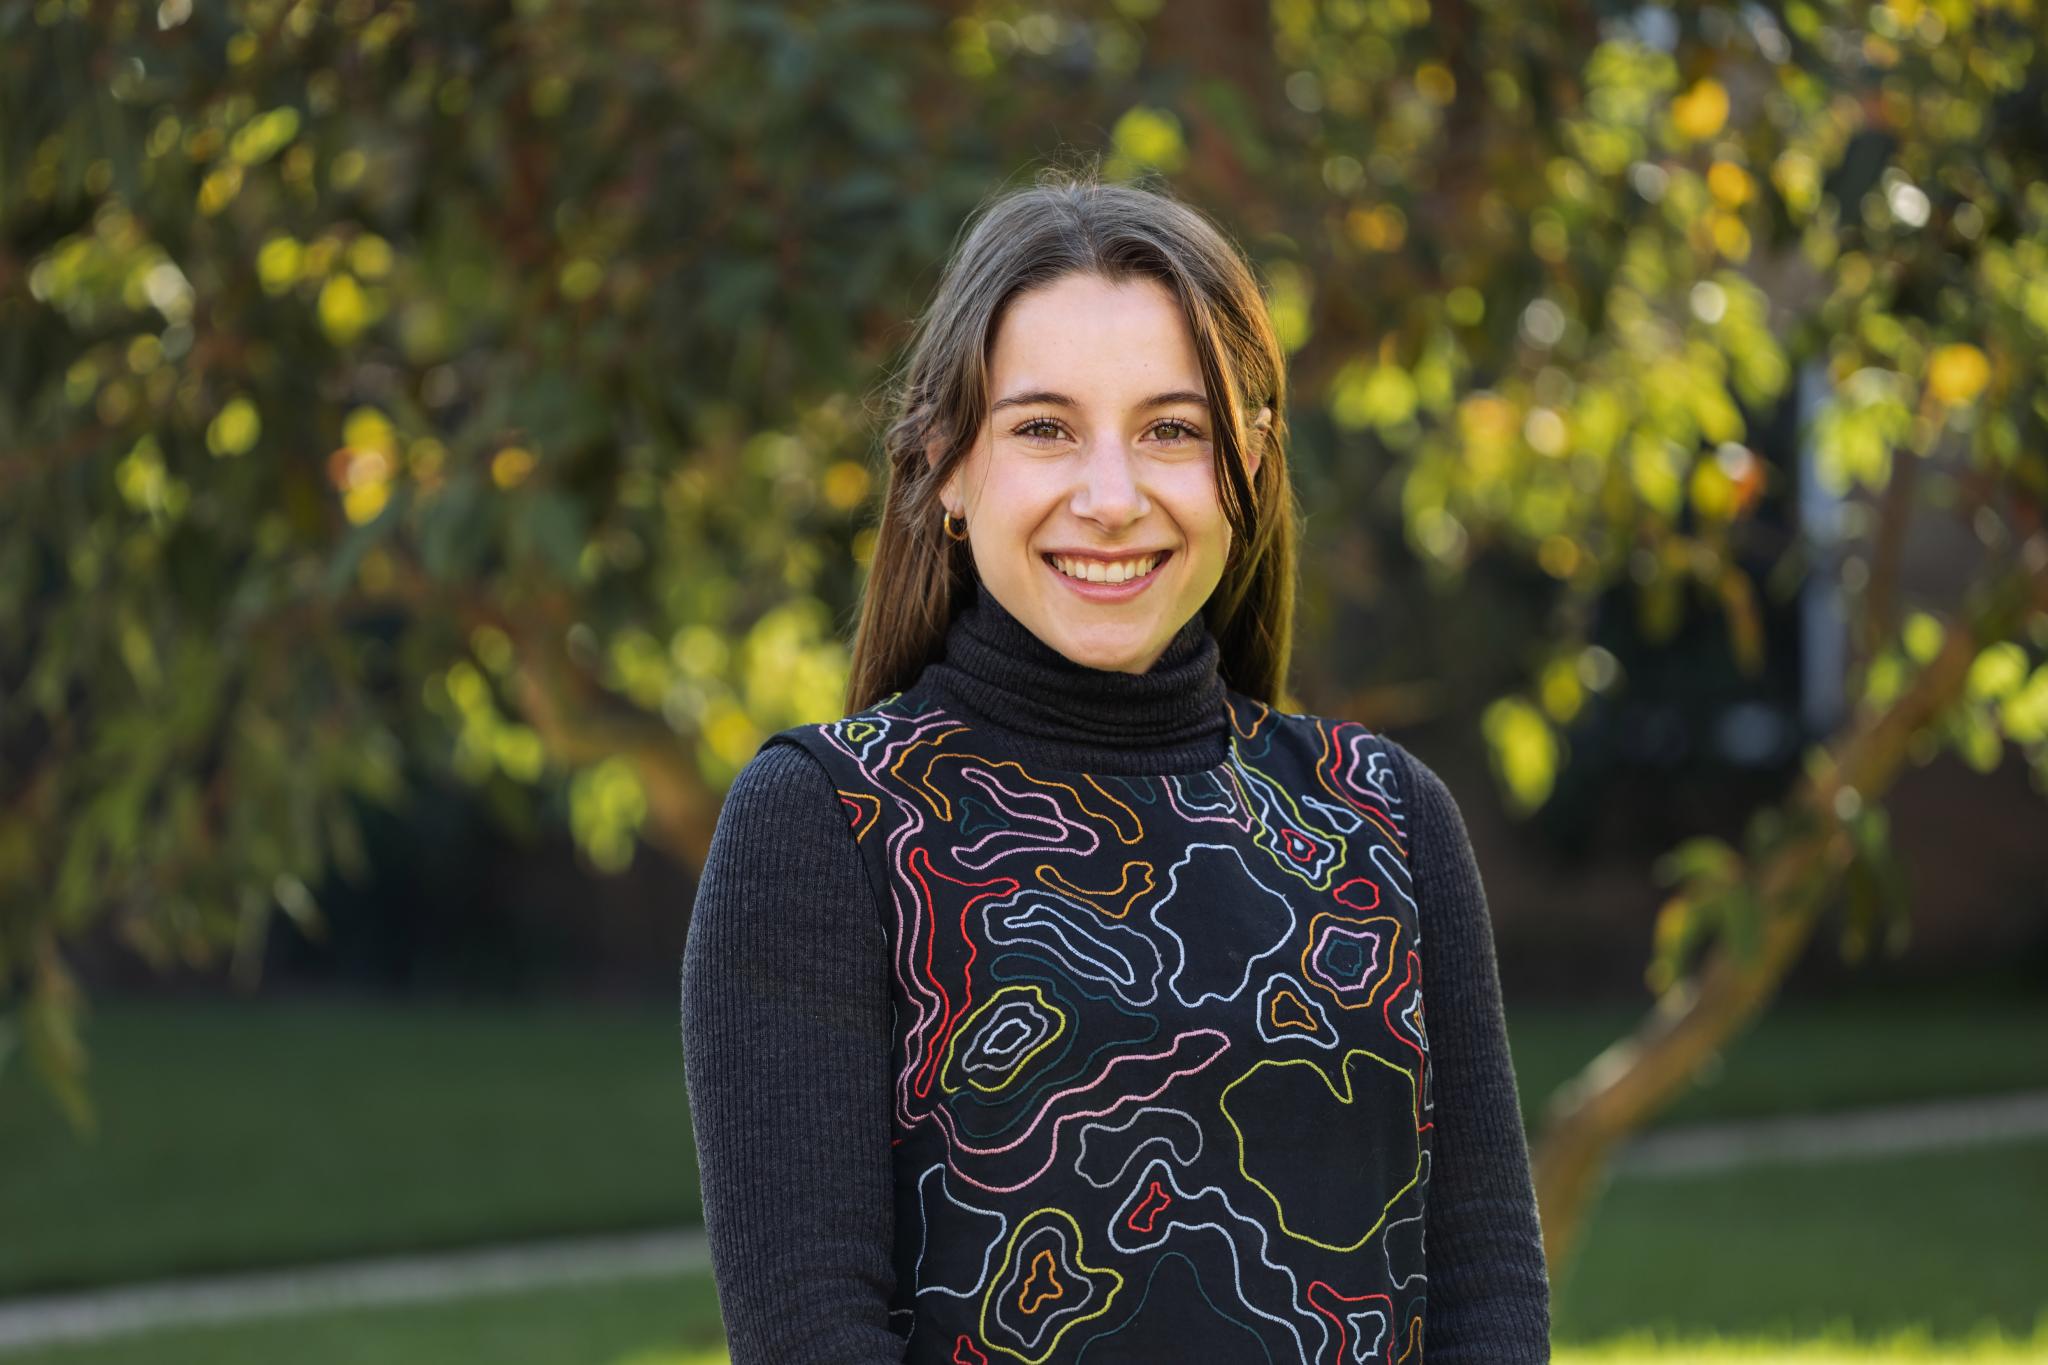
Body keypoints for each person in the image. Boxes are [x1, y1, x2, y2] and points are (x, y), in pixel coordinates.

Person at [680, 168, 1551, 1364]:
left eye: (1170, 431)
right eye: (1043, 428)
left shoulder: (1385, 820)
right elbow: (809, 1333)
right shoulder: (826, 826)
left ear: (1244, 465)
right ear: (946, 463)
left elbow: (1484, 1300)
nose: (1110, 496)